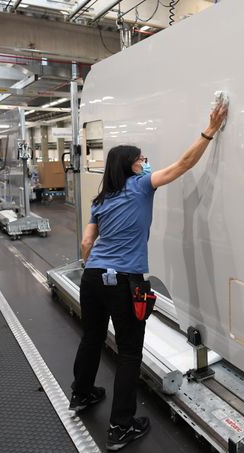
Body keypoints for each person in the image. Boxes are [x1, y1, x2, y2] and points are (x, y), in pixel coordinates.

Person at [70, 100, 227, 451]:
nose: (145, 162)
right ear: (130, 164)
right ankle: (120, 427)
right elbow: (184, 164)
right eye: (141, 158)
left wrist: (90, 265)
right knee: (128, 353)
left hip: (93, 277)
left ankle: (81, 394)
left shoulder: (101, 199)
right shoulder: (142, 185)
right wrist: (210, 130)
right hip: (125, 281)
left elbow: (85, 242)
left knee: (92, 338)